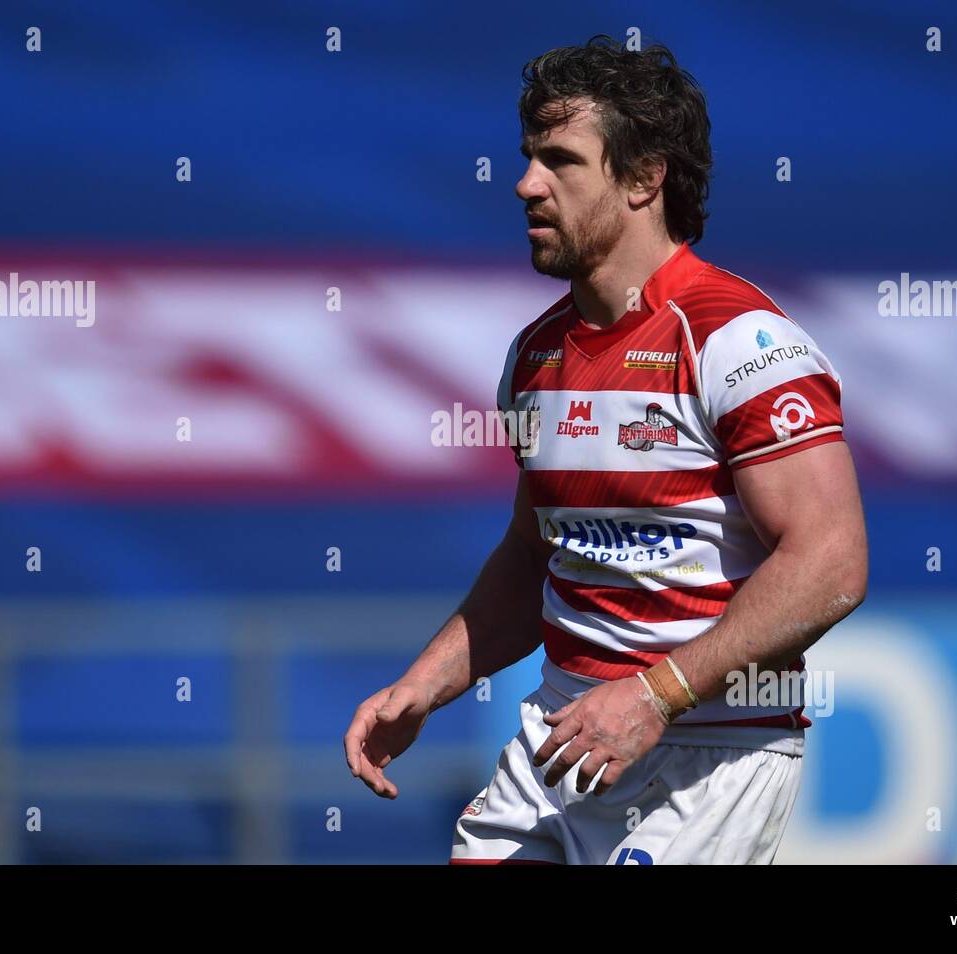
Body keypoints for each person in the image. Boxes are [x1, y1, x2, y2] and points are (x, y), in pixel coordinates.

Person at [343, 36, 868, 865]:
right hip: (560, 738)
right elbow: (532, 555)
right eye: (527, 158)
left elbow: (832, 562)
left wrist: (657, 696)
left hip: (707, 759)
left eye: (560, 161)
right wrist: (425, 686)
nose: (525, 184)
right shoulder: (535, 355)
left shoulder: (739, 340)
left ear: (643, 177)